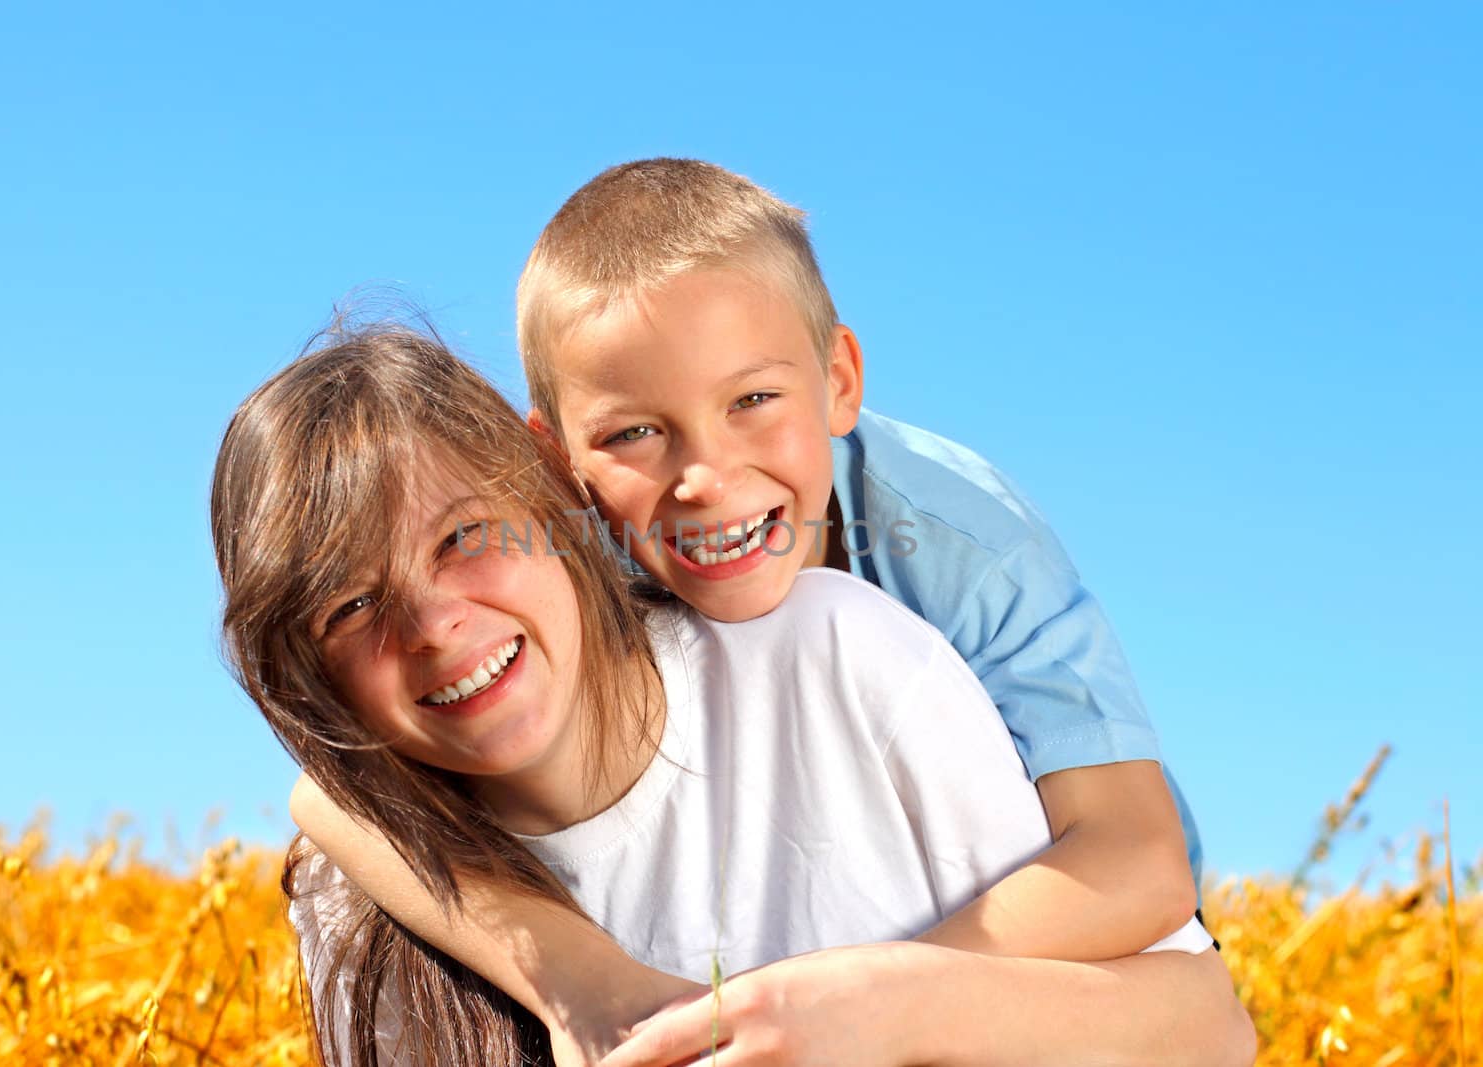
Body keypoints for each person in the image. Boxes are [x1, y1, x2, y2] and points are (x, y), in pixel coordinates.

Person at [293, 159, 1224, 1061]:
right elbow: (328, 796)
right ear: (553, 459)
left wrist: (862, 1006)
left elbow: (1138, 861)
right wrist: (567, 970)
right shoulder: (568, 568)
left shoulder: (958, 545)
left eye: (753, 400)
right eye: (634, 433)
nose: (705, 479)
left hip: (1083, 917)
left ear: (839, 381)